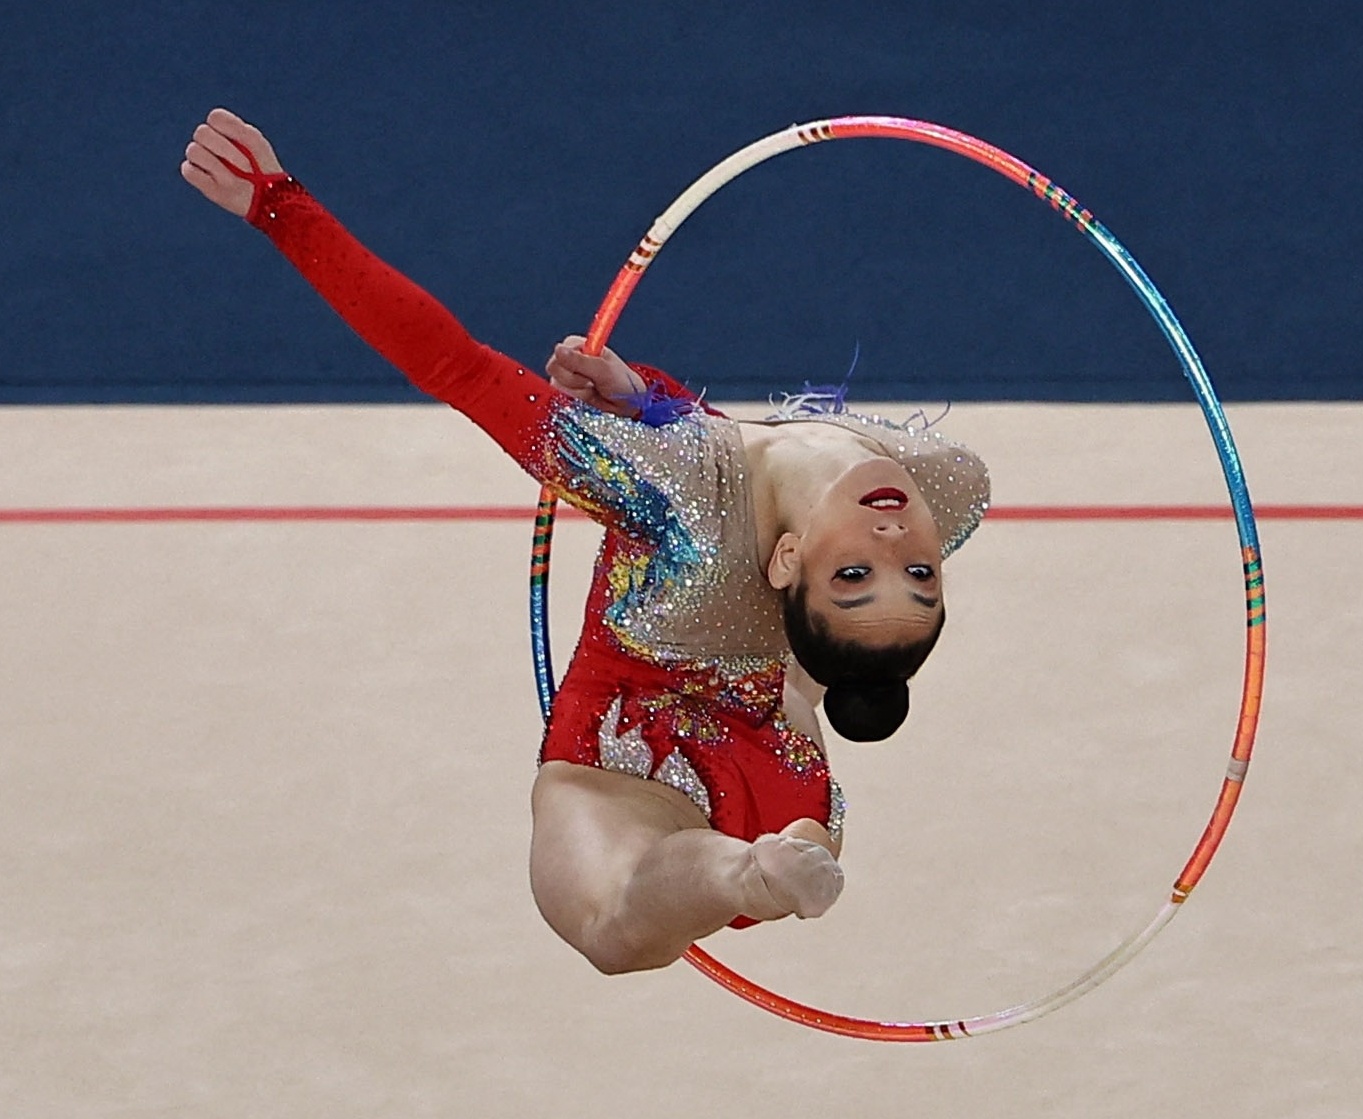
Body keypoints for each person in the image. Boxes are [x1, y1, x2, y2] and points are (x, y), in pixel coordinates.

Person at [180, 110, 990, 974]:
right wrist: (650, 402)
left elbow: (456, 366)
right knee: (631, 905)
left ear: (790, 563)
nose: (899, 532)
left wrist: (280, 209)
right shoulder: (950, 486)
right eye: (919, 575)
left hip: (627, 756)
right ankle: (745, 869)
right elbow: (731, 468)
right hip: (767, 772)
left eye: (857, 574)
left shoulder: (656, 483)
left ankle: (745, 875)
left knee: (608, 931)